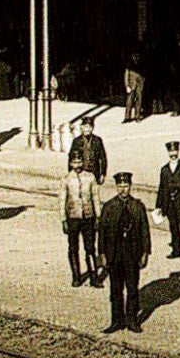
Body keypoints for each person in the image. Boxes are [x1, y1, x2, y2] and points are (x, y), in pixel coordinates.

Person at [97, 171, 150, 333]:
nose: (123, 189)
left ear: (130, 186)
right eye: (120, 186)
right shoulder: (109, 207)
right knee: (116, 290)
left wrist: (145, 253)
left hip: (132, 254)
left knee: (133, 289)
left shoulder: (137, 206)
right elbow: (102, 233)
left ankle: (132, 320)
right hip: (115, 254)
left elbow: (145, 231)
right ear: (116, 187)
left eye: (126, 186)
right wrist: (102, 255)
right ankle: (116, 321)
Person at [62, 150, 100, 286]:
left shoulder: (90, 177)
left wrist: (98, 215)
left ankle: (94, 276)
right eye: (74, 162)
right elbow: (62, 200)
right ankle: (76, 276)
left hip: (88, 216)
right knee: (73, 248)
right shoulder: (66, 179)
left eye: (79, 162)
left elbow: (95, 196)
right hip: (73, 217)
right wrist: (63, 219)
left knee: (90, 248)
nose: (77, 165)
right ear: (70, 163)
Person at [68, 116, 107, 184]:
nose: (88, 130)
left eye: (90, 127)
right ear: (81, 128)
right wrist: (71, 173)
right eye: (86, 127)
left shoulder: (97, 140)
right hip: (81, 172)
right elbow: (71, 158)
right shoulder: (77, 141)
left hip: (94, 173)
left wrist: (103, 174)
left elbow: (103, 158)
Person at [123, 57, 145, 123]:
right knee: (129, 101)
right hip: (131, 85)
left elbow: (144, 73)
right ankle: (127, 117)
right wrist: (127, 85)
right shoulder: (129, 64)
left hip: (139, 85)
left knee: (139, 101)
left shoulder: (141, 63)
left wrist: (143, 81)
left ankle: (137, 117)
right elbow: (126, 75)